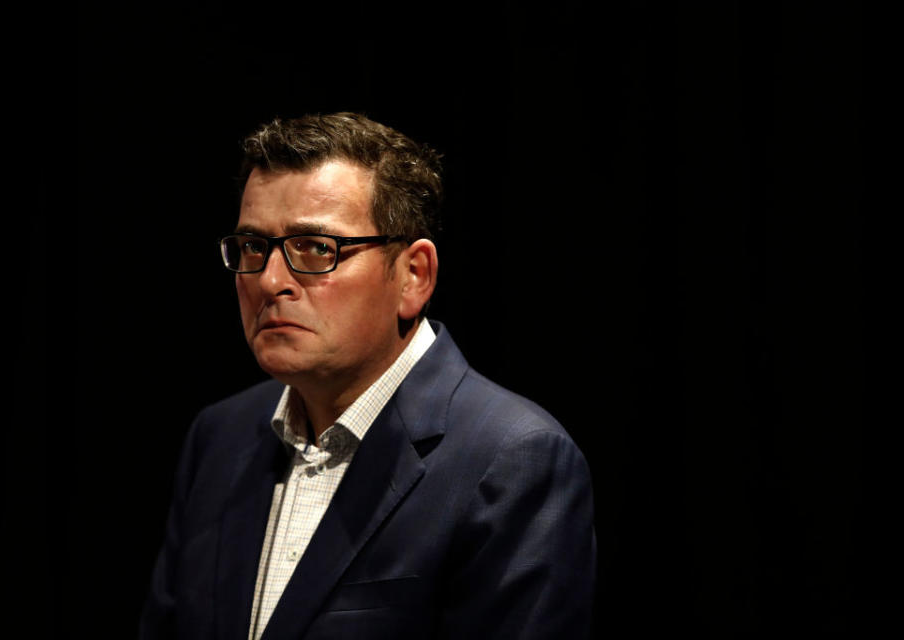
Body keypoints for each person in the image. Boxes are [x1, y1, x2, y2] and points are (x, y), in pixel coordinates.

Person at [139, 112, 596, 639]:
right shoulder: (218, 436)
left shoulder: (515, 459)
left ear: (413, 276)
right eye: (253, 247)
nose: (268, 281)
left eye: (315, 248)